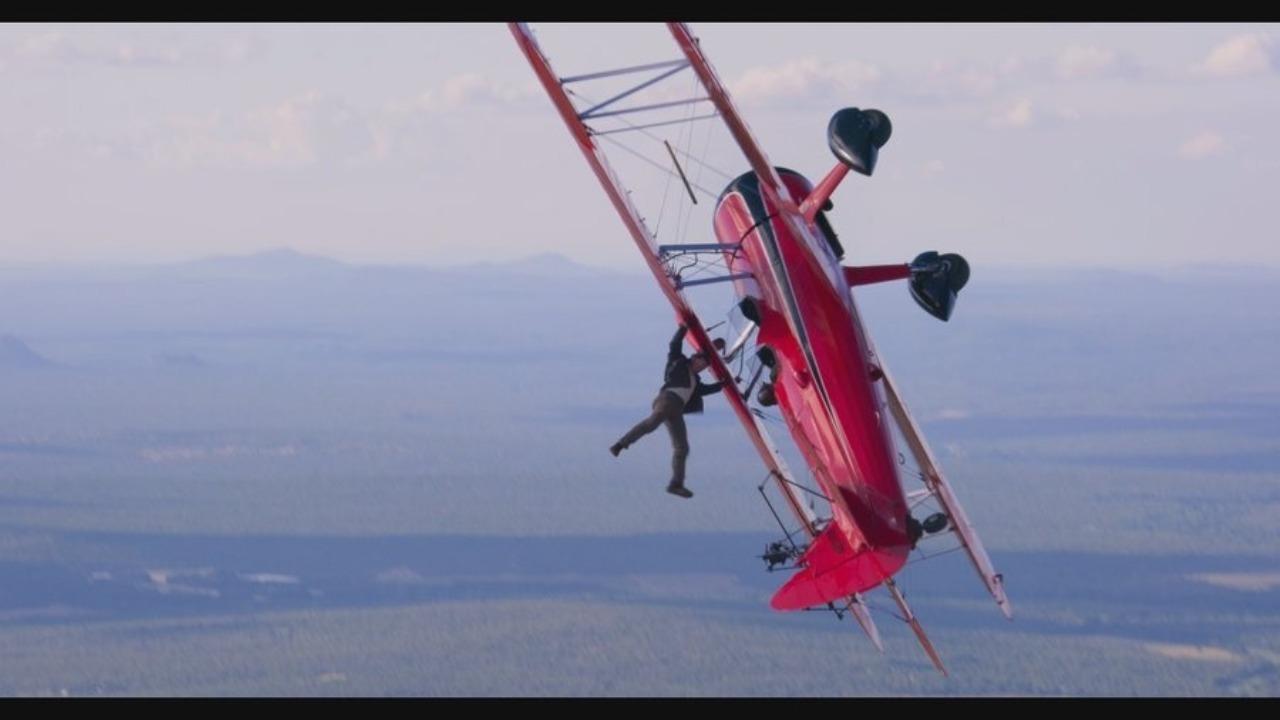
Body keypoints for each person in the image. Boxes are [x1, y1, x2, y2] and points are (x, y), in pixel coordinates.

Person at [610, 324, 724, 498]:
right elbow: (674, 344)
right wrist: (683, 329)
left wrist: (725, 384)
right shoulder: (678, 362)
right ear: (694, 358)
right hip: (667, 399)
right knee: (653, 423)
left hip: (676, 409)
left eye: (705, 365)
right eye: (702, 362)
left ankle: (676, 484)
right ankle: (620, 444)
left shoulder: (695, 381)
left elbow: (707, 390)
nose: (703, 366)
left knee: (682, 447)